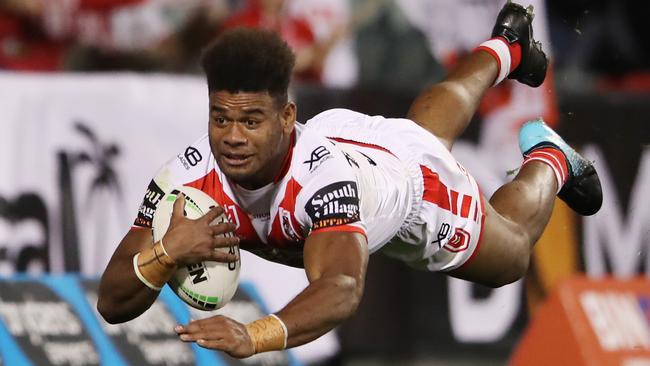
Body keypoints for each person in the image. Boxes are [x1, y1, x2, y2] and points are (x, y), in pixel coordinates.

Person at [97, 1, 602, 359]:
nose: (231, 138)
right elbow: (112, 302)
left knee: (510, 254)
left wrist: (256, 336)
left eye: (251, 122)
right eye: (220, 119)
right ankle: (507, 47)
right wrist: (163, 253)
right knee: (420, 130)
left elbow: (340, 286)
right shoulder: (187, 177)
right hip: (347, 136)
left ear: (287, 117)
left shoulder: (323, 183)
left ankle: (549, 159)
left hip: (410, 191)